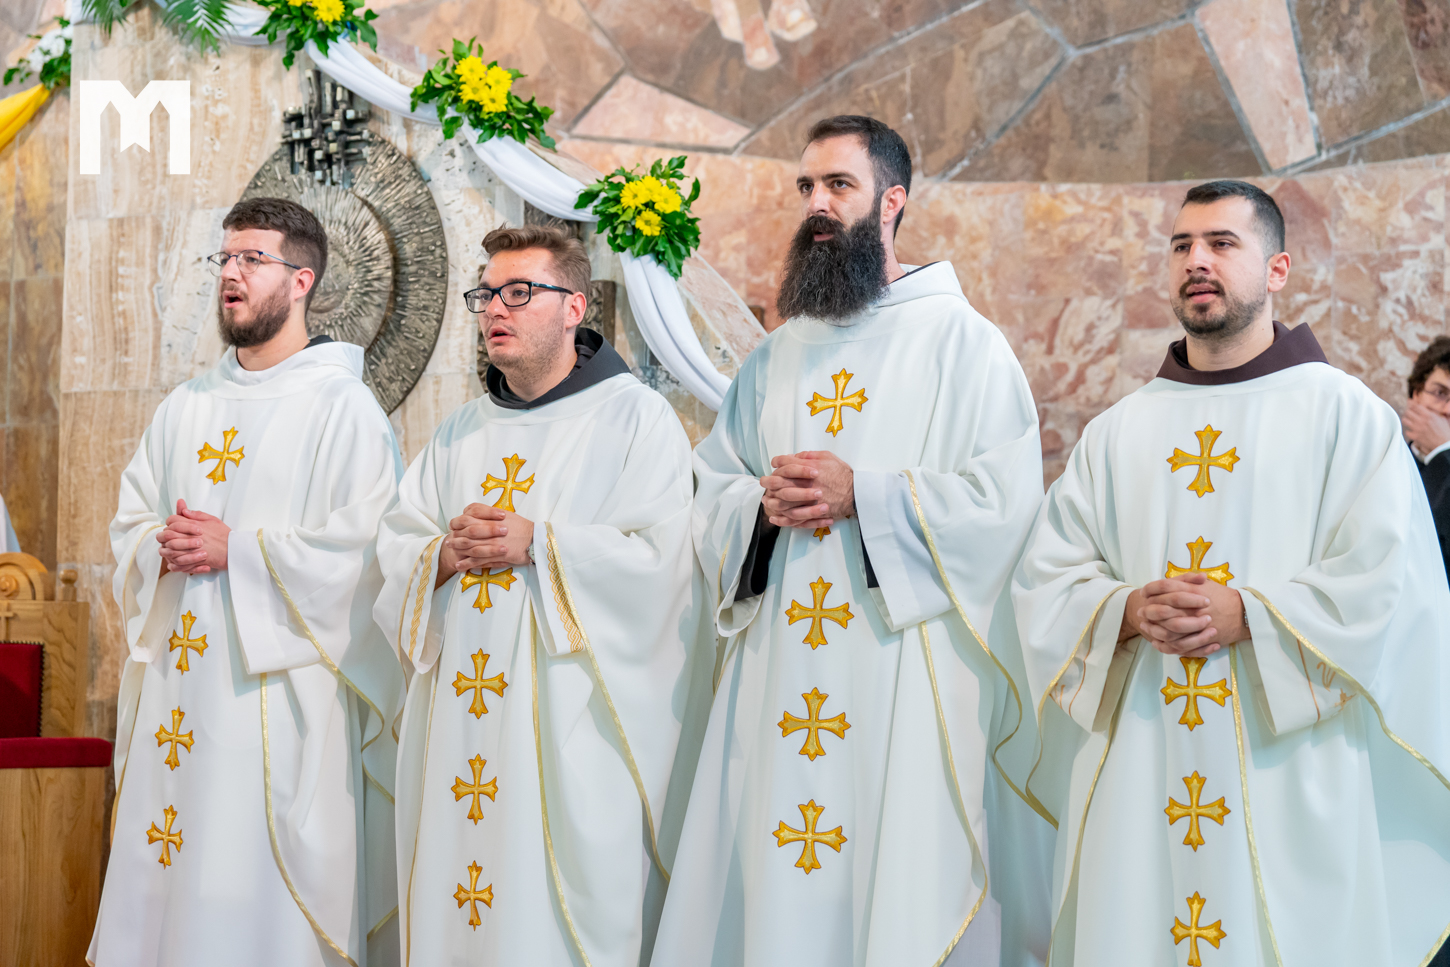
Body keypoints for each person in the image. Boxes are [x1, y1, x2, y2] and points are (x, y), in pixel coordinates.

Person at [1012, 180, 1450, 965]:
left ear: (1278, 269)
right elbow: (1046, 578)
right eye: (1182, 245)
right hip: (1142, 768)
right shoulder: (1116, 433)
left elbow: (1389, 583)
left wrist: (1250, 615)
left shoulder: (1347, 417)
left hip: (1290, 775)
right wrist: (1124, 609)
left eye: (1222, 243)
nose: (1196, 261)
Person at [652, 115, 1055, 967]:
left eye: (839, 185)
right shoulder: (776, 356)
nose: (818, 204)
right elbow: (712, 488)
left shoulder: (965, 345)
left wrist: (864, 495)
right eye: (808, 186)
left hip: (899, 675)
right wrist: (759, 508)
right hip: (779, 672)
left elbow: (1003, 504)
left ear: (892, 201)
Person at [373, 226, 706, 967]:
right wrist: (440, 556)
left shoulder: (635, 419)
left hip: (568, 735)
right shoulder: (458, 434)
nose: (496, 308)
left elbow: (663, 566)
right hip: (461, 737)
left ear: (574, 308)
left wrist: (540, 545)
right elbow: (394, 549)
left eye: (519, 292)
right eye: (487, 294)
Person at [90, 197, 405, 966]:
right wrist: (156, 545)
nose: (230, 274)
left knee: (250, 902)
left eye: (252, 260)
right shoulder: (185, 405)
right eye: (225, 258)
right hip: (180, 696)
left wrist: (241, 550)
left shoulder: (344, 407)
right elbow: (131, 520)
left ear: (302, 281)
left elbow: (369, 555)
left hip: (275, 706)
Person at [1403, 335, 1450, 579]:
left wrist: (1443, 452)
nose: (1447, 409)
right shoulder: (1388, 459)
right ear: (1416, 394)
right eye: (1440, 392)